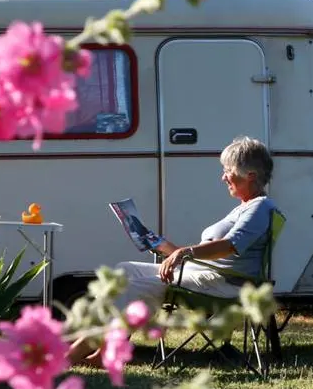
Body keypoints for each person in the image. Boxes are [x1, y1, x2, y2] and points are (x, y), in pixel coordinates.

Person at [67, 136, 277, 364]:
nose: (223, 176)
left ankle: (74, 354)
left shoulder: (260, 208)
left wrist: (183, 253)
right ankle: (106, 351)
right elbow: (205, 254)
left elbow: (230, 246)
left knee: (132, 286)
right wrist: (161, 244)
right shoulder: (245, 207)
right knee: (124, 271)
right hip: (206, 275)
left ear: (251, 176)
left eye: (228, 170)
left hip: (225, 285)